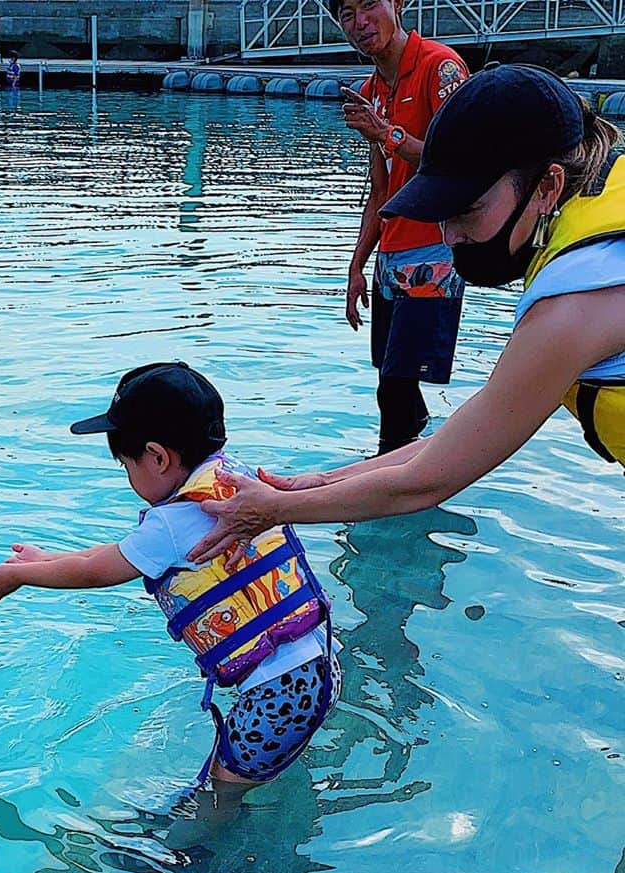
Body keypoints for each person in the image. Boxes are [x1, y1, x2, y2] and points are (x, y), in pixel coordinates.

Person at [187, 66, 625, 563]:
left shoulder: (574, 306)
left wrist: (272, 511)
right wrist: (318, 483)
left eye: (467, 211)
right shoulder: (596, 192)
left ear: (547, 186)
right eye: (442, 213)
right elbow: (476, 428)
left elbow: (425, 484)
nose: (449, 236)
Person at [0, 363, 340, 787]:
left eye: (127, 466)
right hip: (320, 663)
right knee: (261, 764)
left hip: (276, 694)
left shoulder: (172, 523)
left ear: (158, 457)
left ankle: (200, 851)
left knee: (218, 796)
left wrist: (22, 577)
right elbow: (117, 553)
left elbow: (97, 571)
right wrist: (45, 559)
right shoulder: (233, 481)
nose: (129, 477)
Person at [333, 0, 469, 455]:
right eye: (347, 14)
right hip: (391, 258)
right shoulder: (372, 89)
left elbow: (459, 163)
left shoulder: (441, 67)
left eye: (369, 5)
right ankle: (420, 463)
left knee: (392, 391)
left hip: (434, 253)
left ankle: (388, 492)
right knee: (396, 388)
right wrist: (357, 266)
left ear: (398, 4)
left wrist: (384, 131)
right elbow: (381, 187)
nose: (360, 22)